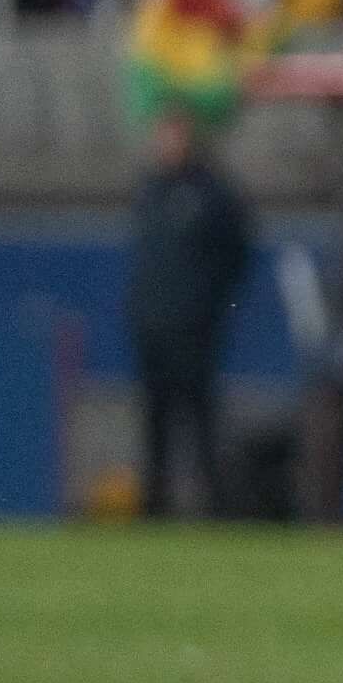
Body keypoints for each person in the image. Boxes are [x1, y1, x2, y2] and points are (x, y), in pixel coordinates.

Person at [124, 109, 257, 517]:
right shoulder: (150, 188)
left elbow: (238, 254)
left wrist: (210, 305)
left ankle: (215, 508)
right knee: (154, 423)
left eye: (176, 135)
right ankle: (155, 509)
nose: (168, 144)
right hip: (152, 326)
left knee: (200, 422)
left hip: (196, 329)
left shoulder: (213, 193)